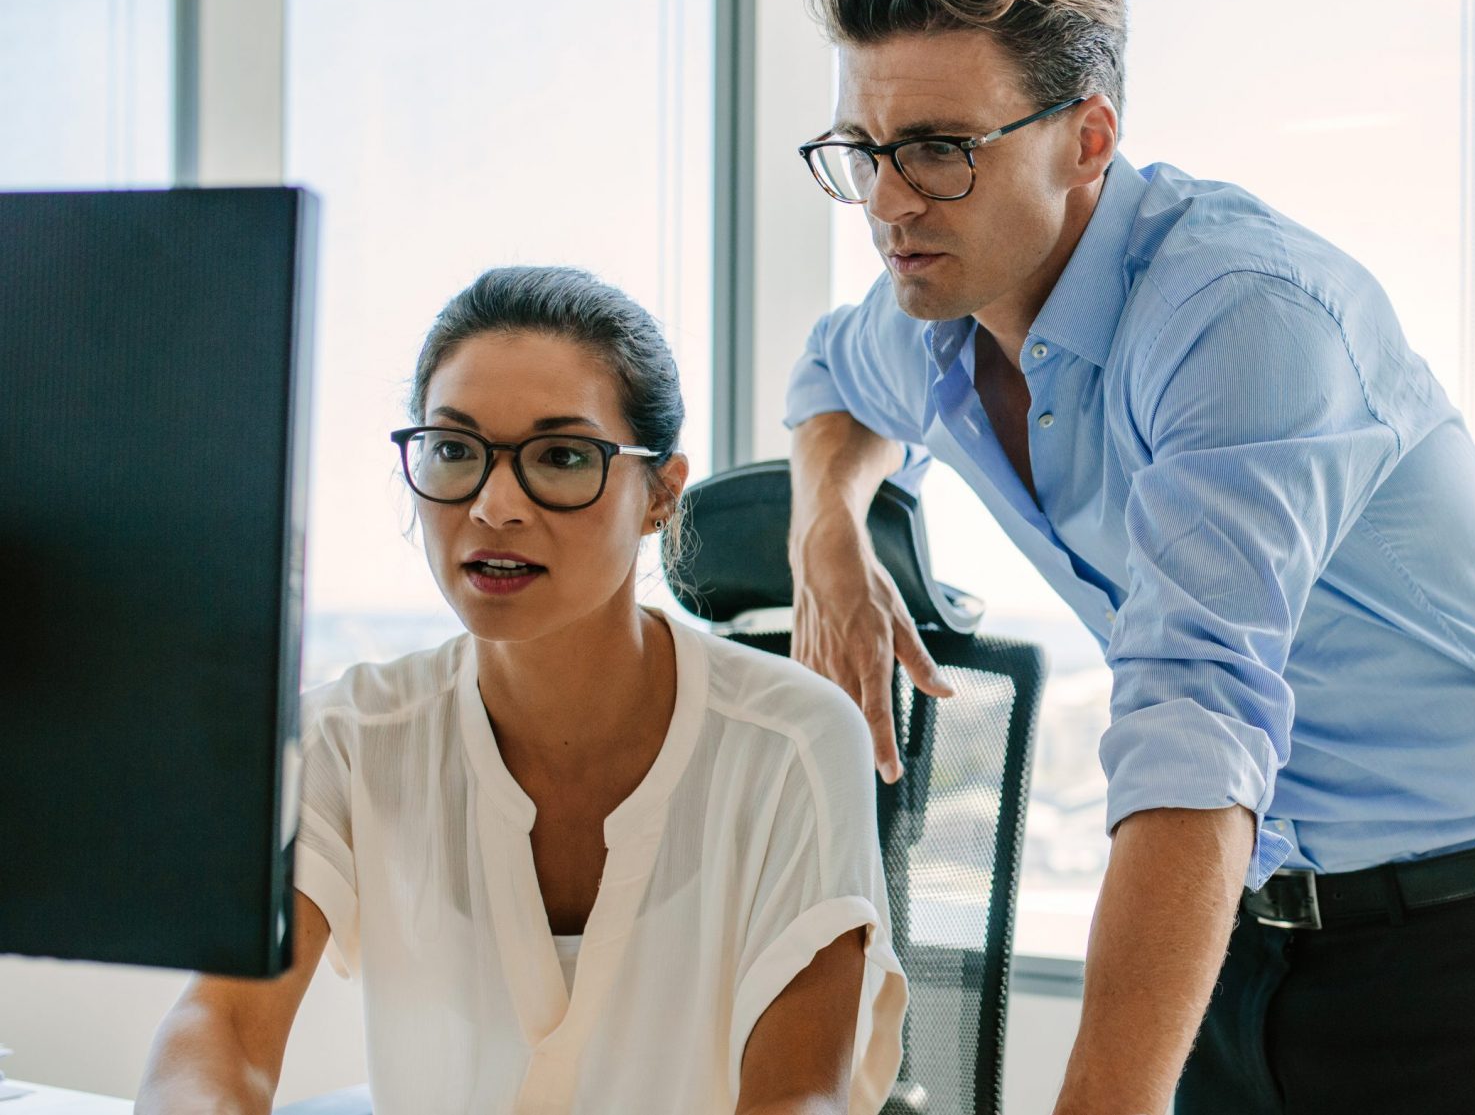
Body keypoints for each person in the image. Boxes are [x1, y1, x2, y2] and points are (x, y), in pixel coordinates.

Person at [784, 0, 1475, 1115]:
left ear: (1086, 139)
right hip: (1240, 939)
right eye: (862, 151)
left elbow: (1194, 729)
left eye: (937, 148)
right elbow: (828, 381)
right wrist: (829, 536)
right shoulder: (928, 317)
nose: (885, 201)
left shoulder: (1240, 316)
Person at [138, 266, 906, 1115]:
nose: (494, 505)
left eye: (563, 457)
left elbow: (799, 1097)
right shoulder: (349, 736)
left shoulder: (794, 742)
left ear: (660, 492)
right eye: (455, 450)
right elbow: (223, 1027)